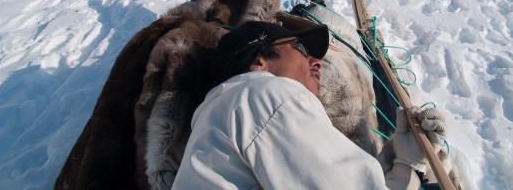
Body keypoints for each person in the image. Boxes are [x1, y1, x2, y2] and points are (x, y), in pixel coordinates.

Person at [172, 21, 447, 190]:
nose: (317, 61)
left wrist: (407, 163)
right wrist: (410, 166)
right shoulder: (263, 94)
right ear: (258, 63)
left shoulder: (217, 118)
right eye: (301, 50)